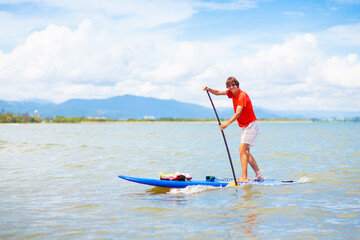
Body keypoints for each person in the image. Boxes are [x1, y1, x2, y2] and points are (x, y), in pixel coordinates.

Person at [203, 76, 263, 182]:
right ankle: (259, 175)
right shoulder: (231, 93)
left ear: (237, 85)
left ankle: (244, 177)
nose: (231, 87)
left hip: (251, 125)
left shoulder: (242, 95)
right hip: (245, 126)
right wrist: (209, 89)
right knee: (246, 152)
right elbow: (217, 92)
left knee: (241, 149)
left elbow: (238, 113)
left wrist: (226, 124)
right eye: (229, 86)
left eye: (233, 85)